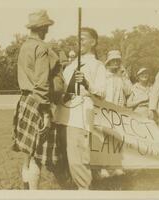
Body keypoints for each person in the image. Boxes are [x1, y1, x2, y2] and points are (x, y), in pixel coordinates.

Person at [12, 10, 64, 190]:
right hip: (38, 102)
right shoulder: (41, 48)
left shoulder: (25, 46)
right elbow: (41, 82)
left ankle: (28, 187)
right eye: (46, 27)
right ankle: (33, 191)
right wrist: (45, 112)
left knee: (30, 151)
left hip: (27, 100)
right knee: (38, 152)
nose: (48, 30)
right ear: (42, 27)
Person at [54, 27, 106, 190]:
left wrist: (86, 83)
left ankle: (85, 191)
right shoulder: (69, 66)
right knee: (59, 159)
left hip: (79, 118)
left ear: (93, 42)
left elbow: (102, 94)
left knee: (78, 161)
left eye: (83, 38)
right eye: (78, 39)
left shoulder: (97, 65)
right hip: (61, 115)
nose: (79, 42)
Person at [99, 50, 132, 178]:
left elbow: (128, 92)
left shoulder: (121, 77)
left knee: (117, 139)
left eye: (118, 61)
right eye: (113, 60)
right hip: (105, 111)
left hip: (118, 111)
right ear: (109, 62)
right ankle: (103, 167)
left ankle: (116, 166)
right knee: (104, 139)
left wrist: (124, 76)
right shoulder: (103, 76)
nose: (116, 63)